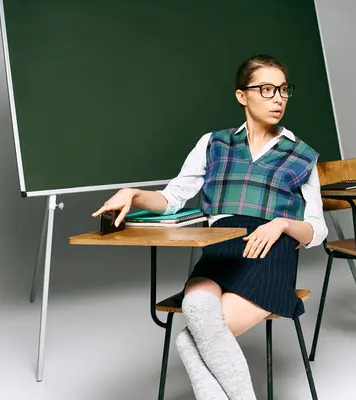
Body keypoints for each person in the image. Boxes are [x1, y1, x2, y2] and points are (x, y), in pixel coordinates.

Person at [92, 54, 328, 400]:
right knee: (198, 311)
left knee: (189, 341)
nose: (278, 98)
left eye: (283, 89)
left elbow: (317, 230)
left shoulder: (303, 155)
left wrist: (280, 224)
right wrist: (134, 194)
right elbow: (173, 198)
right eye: (266, 89)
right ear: (242, 95)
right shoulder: (213, 143)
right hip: (220, 250)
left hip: (270, 252)